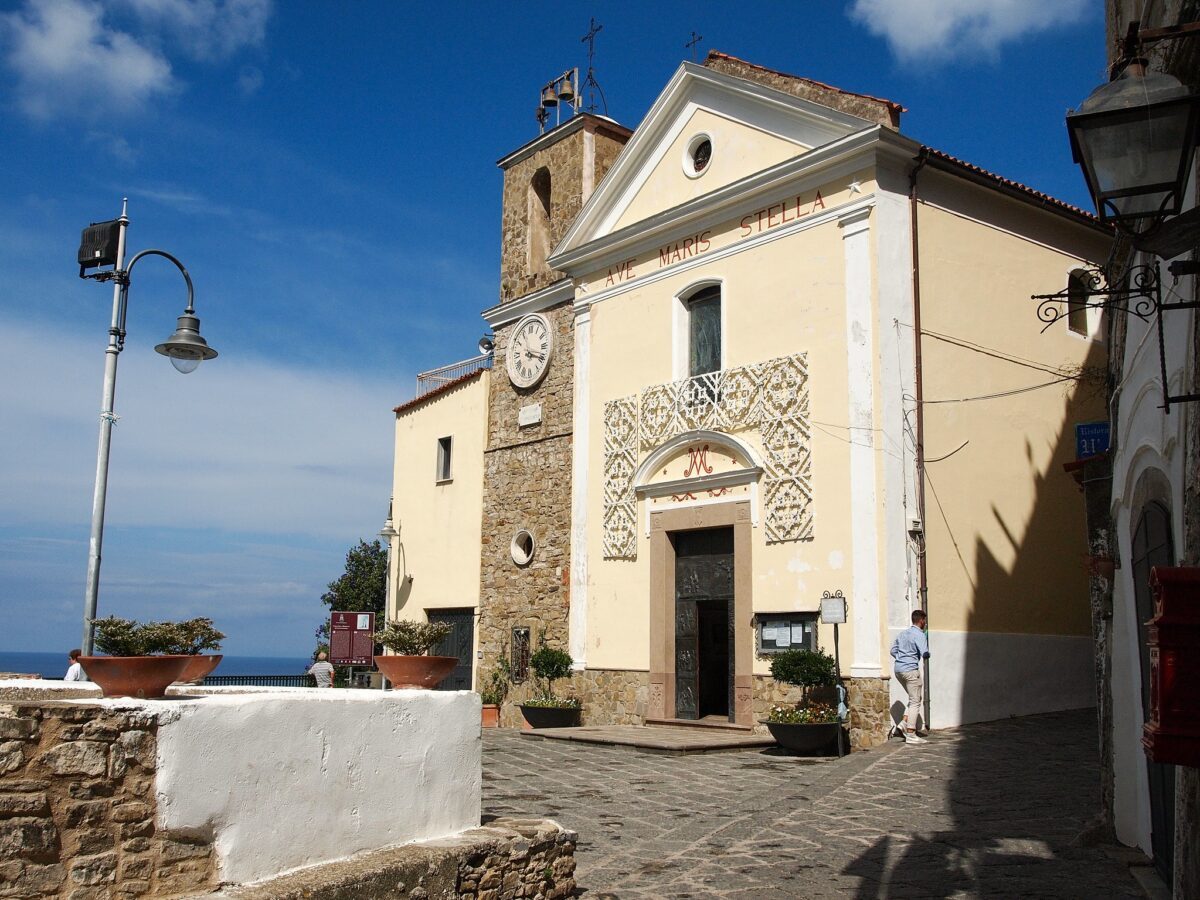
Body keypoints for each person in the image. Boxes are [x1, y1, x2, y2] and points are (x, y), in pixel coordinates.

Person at [891, 609, 930, 743]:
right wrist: (925, 654)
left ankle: (903, 723)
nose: (925, 623)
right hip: (910, 670)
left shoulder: (903, 634)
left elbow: (893, 650)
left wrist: (902, 658)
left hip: (898, 670)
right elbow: (925, 652)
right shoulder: (919, 634)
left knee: (914, 697)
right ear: (921, 620)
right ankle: (911, 733)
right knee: (915, 701)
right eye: (924, 620)